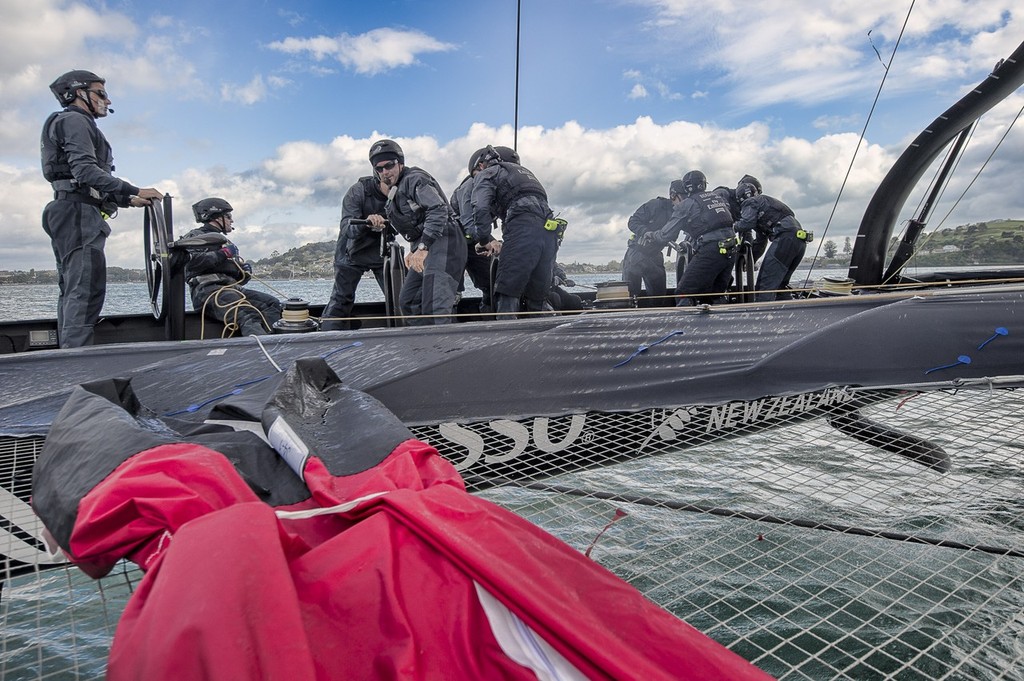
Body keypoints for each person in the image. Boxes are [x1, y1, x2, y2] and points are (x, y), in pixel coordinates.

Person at [40, 69, 163, 348]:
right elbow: (84, 171)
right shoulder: (74, 120)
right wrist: (135, 190)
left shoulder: (74, 123)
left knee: (74, 289)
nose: (107, 101)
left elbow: (84, 180)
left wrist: (127, 200)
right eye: (101, 94)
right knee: (84, 290)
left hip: (73, 209)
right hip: (78, 214)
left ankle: (70, 356)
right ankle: (76, 364)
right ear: (78, 93)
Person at [368, 139, 467, 325]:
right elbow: (413, 222)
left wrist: (422, 248)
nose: (385, 172)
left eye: (389, 165)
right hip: (425, 245)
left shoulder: (415, 179)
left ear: (400, 163)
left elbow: (438, 209)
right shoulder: (394, 192)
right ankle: (422, 348)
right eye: (379, 169)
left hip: (445, 241)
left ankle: (442, 351)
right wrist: (414, 249)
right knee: (409, 300)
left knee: (435, 307)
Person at [470, 146, 558, 317]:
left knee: (507, 290)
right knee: (537, 296)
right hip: (550, 229)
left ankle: (506, 335)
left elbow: (480, 208)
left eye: (474, 175)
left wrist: (483, 240)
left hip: (523, 227)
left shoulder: (487, 173)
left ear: (480, 166)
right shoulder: (523, 173)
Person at [181, 198, 283, 336]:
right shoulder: (195, 238)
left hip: (232, 290)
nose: (231, 221)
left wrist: (243, 274)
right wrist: (222, 254)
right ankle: (260, 352)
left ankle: (273, 342)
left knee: (273, 304)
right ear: (216, 217)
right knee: (248, 314)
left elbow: (232, 275)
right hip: (208, 292)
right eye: (228, 216)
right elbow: (190, 263)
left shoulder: (224, 241)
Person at [656, 170, 738, 306]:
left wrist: (650, 236)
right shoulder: (717, 198)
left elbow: (666, 234)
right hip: (731, 250)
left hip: (712, 251)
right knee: (715, 294)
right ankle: (721, 323)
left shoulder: (687, 204)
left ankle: (685, 325)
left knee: (683, 293)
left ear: (686, 187)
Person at [320, 174, 391, 330]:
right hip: (350, 252)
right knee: (341, 299)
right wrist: (367, 223)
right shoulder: (357, 192)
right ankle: (326, 337)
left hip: (380, 252)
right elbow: (347, 228)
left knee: (400, 296)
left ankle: (408, 334)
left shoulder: (400, 194)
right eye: (389, 186)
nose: (392, 190)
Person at [733, 182, 809, 302]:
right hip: (800, 241)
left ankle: (761, 316)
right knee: (780, 286)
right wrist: (750, 261)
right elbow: (760, 241)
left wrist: (731, 226)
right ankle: (789, 313)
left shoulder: (750, 202)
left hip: (785, 240)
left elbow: (746, 223)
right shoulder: (766, 205)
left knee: (765, 287)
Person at [450, 147, 495, 313]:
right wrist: (489, 240)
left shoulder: (492, 189)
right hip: (455, 241)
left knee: (492, 284)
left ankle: (490, 319)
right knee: (452, 292)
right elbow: (469, 222)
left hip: (476, 242)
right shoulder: (468, 187)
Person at [622, 186, 674, 305]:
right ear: (673, 195)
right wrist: (646, 232)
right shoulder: (655, 205)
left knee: (659, 296)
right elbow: (632, 222)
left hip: (655, 255)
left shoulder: (682, 212)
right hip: (636, 254)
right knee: (630, 295)